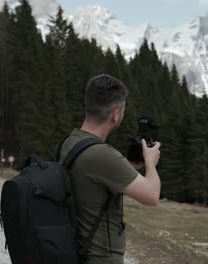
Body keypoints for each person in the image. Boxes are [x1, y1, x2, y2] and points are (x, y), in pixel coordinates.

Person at [58, 74, 161, 264]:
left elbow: (90, 179)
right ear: (115, 114)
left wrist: (128, 167)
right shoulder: (102, 155)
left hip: (76, 251)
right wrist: (150, 162)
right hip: (99, 258)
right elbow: (152, 195)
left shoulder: (69, 142)